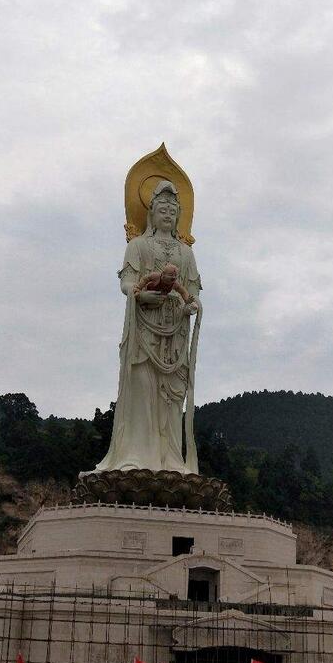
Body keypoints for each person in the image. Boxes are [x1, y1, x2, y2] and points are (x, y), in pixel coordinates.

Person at [95, 180, 202, 474]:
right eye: (161, 207)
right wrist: (140, 294)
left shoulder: (186, 253)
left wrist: (191, 306)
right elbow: (127, 282)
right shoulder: (138, 245)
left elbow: (192, 290)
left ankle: (169, 460)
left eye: (172, 208)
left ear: (179, 214)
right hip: (144, 330)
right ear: (151, 212)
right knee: (142, 389)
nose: (167, 213)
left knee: (171, 397)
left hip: (174, 335)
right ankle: (137, 456)